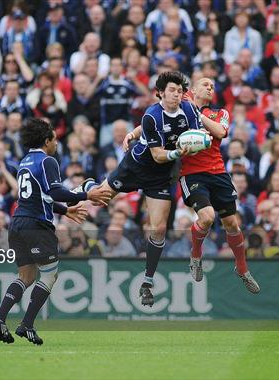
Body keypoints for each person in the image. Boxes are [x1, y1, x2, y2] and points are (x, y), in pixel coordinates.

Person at [74, 71, 202, 307]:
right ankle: (87, 186)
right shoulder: (152, 115)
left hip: (161, 177)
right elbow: (157, 154)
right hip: (137, 166)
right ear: (161, 93)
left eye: (180, 90)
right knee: (98, 199)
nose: (177, 94)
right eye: (172, 90)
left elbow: (195, 135)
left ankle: (147, 282)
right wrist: (178, 153)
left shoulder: (190, 110)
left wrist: (198, 141)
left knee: (159, 228)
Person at [0, 118, 111, 345]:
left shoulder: (24, 162)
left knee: (26, 276)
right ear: (47, 141)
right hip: (36, 225)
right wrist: (87, 195)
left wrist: (65, 211)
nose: (57, 143)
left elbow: (38, 196)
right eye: (55, 139)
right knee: (49, 274)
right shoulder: (47, 161)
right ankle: (26, 325)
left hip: (17, 223)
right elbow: (55, 191)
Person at [178, 78, 260, 293]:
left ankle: (241, 268)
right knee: (206, 217)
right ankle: (196, 256)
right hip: (193, 174)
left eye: (212, 86)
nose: (210, 87)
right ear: (193, 90)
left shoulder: (220, 113)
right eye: (205, 84)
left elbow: (221, 132)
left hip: (218, 173)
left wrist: (196, 113)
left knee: (232, 224)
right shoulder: (181, 111)